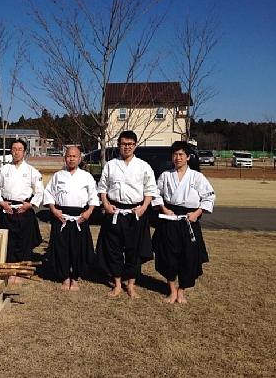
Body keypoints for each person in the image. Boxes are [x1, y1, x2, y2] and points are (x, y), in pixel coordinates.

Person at [96, 130, 159, 298]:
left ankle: (131, 285)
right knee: (114, 249)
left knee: (134, 251)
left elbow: (150, 190)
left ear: (135, 146)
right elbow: (102, 187)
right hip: (114, 211)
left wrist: (144, 207)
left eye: (130, 144)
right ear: (119, 145)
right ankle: (117, 284)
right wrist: (106, 204)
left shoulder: (143, 166)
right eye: (124, 144)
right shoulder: (111, 165)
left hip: (135, 212)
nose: (127, 147)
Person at [151, 141, 215, 304]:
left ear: (188, 157)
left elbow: (209, 197)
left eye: (181, 155)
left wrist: (197, 213)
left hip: (189, 220)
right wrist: (164, 209)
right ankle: (172, 290)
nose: (177, 158)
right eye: (175, 154)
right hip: (169, 219)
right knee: (168, 256)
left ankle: (181, 291)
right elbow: (155, 194)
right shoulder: (166, 176)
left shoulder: (197, 177)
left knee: (189, 257)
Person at [43, 146, 99, 291]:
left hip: (80, 217)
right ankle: (65, 277)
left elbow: (93, 196)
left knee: (78, 249)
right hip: (61, 216)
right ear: (65, 158)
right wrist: (53, 209)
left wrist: (89, 212)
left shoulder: (86, 176)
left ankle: (75, 277)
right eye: (69, 156)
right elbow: (49, 193)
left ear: (80, 158)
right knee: (62, 248)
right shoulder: (58, 176)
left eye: (74, 156)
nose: (72, 159)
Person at [0, 138, 44, 284]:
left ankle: (20, 271)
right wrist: (1, 202)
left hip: (23, 209)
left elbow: (40, 191)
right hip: (7, 209)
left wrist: (30, 204)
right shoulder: (4, 170)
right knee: (7, 242)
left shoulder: (31, 171)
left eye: (20, 149)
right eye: (14, 149)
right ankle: (8, 270)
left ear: (25, 152)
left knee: (23, 242)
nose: (17, 152)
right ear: (10, 151)